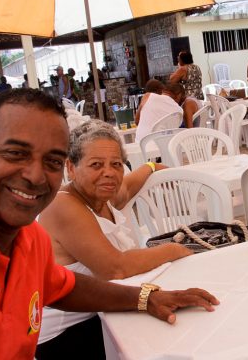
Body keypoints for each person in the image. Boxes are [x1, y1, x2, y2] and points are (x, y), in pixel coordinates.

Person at [0, 88, 219, 358]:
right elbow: (113, 268)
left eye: (51, 161)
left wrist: (145, 298)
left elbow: (64, 288)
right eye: (16, 153)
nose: (35, 176)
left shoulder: (28, 238)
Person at [36, 120, 192, 357]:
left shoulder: (100, 196)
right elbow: (116, 268)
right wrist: (176, 249)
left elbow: (128, 187)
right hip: (70, 334)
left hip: (107, 312)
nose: (108, 172)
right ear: (71, 167)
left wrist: (151, 166)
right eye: (96, 164)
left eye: (116, 164)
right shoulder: (61, 205)